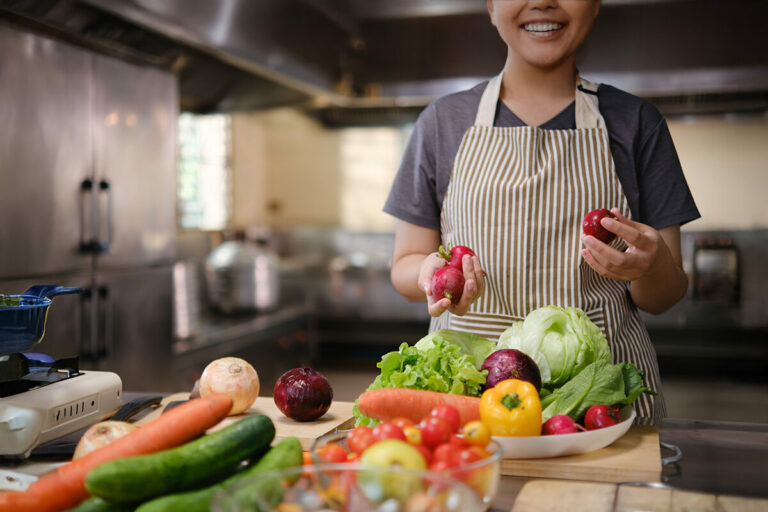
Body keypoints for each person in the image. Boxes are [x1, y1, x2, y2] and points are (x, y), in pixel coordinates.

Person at [383, 0, 700, 419]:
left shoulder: (636, 123)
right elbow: (405, 265)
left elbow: (666, 295)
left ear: (595, 5)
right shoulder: (443, 122)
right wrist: (428, 275)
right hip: (470, 396)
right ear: (492, 7)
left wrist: (652, 264)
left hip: (596, 403)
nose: (544, 1)